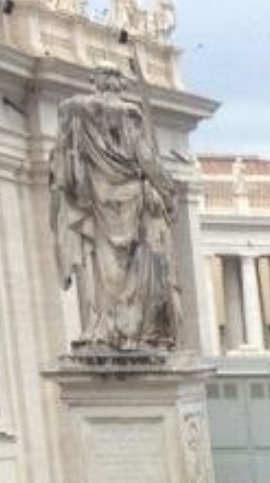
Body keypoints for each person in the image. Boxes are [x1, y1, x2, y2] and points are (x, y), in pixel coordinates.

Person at [48, 64, 181, 350]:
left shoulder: (75, 109)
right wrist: (168, 192)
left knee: (104, 267)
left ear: (95, 81)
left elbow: (63, 154)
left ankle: (106, 325)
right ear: (119, 84)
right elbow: (146, 159)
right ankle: (128, 327)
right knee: (130, 266)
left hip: (97, 198)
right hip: (129, 199)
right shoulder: (129, 113)